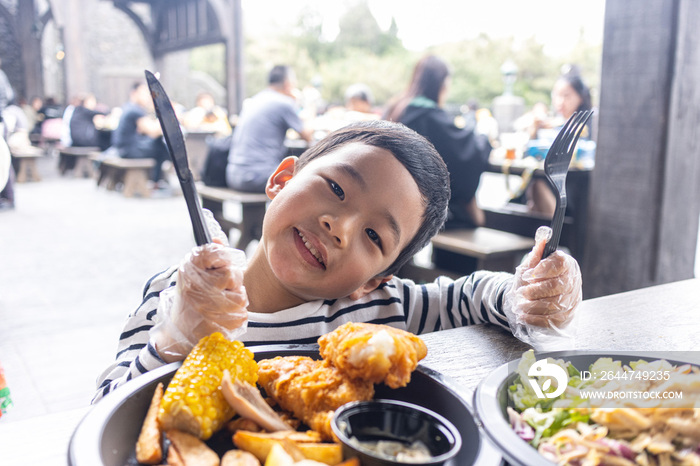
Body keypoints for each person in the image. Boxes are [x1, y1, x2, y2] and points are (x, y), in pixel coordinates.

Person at [93, 120, 582, 402]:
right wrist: (173, 341)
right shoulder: (179, 298)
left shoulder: (383, 313)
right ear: (282, 179)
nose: (340, 226)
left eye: (374, 235)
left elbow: (473, 295)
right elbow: (102, 409)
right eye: (335, 188)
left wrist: (527, 294)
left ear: (374, 280)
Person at [384, 55, 491, 231]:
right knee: (464, 216)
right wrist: (484, 138)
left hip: (390, 199)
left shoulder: (396, 108)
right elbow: (464, 156)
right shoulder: (429, 116)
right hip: (414, 210)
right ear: (440, 84)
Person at [226, 65, 313, 193]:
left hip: (233, 174)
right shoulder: (283, 102)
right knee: (310, 182)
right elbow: (307, 136)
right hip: (256, 176)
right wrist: (306, 102)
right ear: (288, 84)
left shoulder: (256, 99)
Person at [521, 66, 594, 216]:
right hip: (549, 179)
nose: (560, 101)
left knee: (537, 186)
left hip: (574, 187)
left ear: (580, 97)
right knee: (535, 185)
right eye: (556, 95)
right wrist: (534, 131)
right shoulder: (551, 123)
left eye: (566, 95)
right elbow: (529, 151)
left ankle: (555, 236)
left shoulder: (588, 123)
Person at [111, 81, 170, 184]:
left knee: (159, 145)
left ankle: (157, 180)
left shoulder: (128, 107)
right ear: (134, 93)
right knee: (161, 147)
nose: (147, 97)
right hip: (128, 151)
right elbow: (153, 131)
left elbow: (144, 128)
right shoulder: (135, 110)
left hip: (122, 149)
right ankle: (156, 182)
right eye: (144, 93)